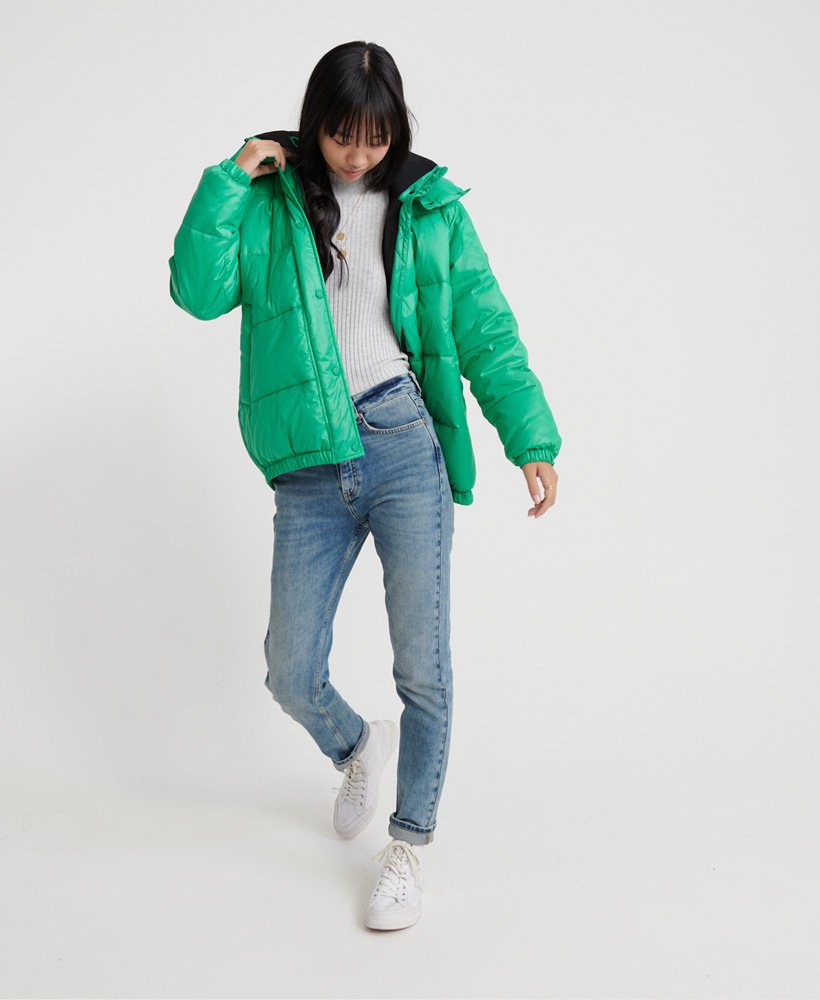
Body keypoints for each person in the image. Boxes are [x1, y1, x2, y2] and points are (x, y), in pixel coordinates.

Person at [168, 39, 562, 931]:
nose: (357, 156)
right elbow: (196, 291)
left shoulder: (429, 207)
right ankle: (357, 747)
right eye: (342, 136)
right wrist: (228, 179)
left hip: (401, 444)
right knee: (289, 670)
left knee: (423, 666)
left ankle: (408, 845)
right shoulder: (268, 199)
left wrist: (528, 435)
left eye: (375, 139)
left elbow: (486, 326)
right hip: (309, 466)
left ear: (396, 133)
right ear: (315, 125)